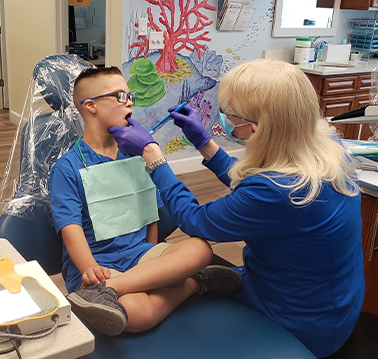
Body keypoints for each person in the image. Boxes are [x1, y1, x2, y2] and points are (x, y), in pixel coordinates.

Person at [108, 59, 365, 358]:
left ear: (256, 129)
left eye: (230, 115)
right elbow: (255, 184)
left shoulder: (277, 190)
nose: (224, 119)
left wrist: (152, 155)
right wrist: (204, 143)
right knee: (192, 276)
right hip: (330, 302)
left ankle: (192, 284)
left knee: (184, 276)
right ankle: (205, 282)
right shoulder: (326, 149)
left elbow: (195, 220)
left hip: (299, 321)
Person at [48, 67, 242, 337]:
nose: (129, 101)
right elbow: (70, 228)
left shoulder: (137, 154)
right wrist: (90, 268)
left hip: (140, 257)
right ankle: (193, 284)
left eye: (130, 96)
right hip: (98, 267)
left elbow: (150, 210)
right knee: (134, 313)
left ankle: (119, 289)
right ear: (90, 106)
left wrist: (151, 256)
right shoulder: (67, 168)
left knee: (200, 249)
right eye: (119, 96)